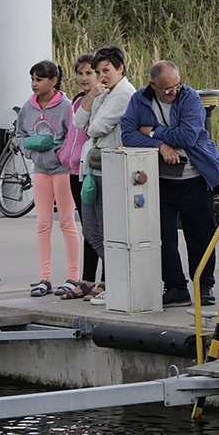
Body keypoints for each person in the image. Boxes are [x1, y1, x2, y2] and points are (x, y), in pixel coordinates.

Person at [121, 60, 219, 307]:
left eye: (176, 86)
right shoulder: (139, 100)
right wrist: (160, 145)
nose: (173, 92)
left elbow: (188, 135)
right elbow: (127, 134)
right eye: (167, 89)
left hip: (195, 177)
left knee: (201, 235)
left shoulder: (190, 97)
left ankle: (204, 285)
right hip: (160, 181)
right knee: (162, 237)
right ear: (153, 86)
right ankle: (175, 287)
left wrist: (150, 132)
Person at [73, 45, 136, 306]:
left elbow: (95, 128)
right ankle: (116, 278)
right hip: (93, 168)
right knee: (91, 228)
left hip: (110, 168)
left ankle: (117, 280)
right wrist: (90, 99)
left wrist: (91, 124)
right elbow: (79, 123)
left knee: (107, 229)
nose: (101, 76)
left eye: (106, 70)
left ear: (120, 68)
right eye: (98, 71)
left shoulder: (123, 94)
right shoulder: (102, 92)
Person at [15, 61, 81, 298]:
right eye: (32, 78)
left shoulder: (66, 107)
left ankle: (73, 277)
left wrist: (56, 154)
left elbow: (72, 138)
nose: (34, 84)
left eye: (40, 79)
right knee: (43, 224)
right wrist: (32, 151)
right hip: (40, 171)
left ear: (53, 81)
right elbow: (20, 134)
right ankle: (45, 278)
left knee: (67, 222)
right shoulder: (28, 106)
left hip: (62, 172)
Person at [56, 54, 103, 300]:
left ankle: (105, 279)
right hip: (73, 170)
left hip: (90, 171)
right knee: (87, 227)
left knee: (98, 226)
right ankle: (86, 279)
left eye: (89, 73)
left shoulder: (101, 101)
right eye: (80, 73)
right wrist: (62, 152)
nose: (84, 78)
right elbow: (71, 133)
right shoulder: (76, 101)